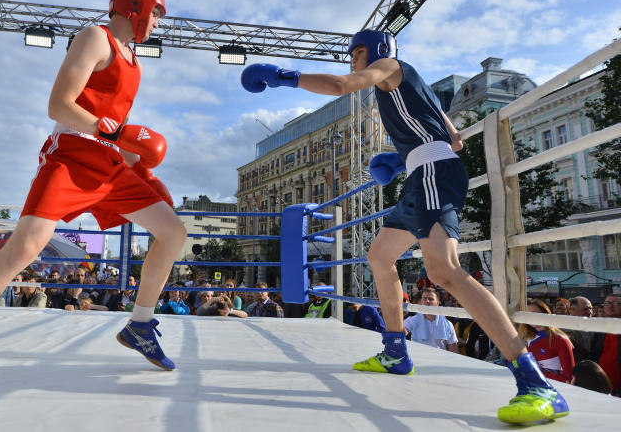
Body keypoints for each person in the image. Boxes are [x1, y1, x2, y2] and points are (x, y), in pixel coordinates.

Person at [240, 29, 569, 424]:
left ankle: (535, 382)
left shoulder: (391, 66)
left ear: (379, 50)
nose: (353, 60)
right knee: (379, 256)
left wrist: (281, 75)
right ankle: (395, 350)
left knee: (444, 271)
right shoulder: (418, 89)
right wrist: (399, 160)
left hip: (432, 173)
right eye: (351, 54)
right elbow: (455, 139)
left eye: (358, 52)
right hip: (423, 174)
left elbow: (341, 86)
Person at [0, 0, 185, 402]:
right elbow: (60, 105)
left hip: (111, 164)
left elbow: (114, 124)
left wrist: (140, 164)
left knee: (173, 232)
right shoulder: (94, 38)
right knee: (23, 250)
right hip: (71, 156)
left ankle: (140, 325)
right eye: (157, 14)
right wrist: (120, 132)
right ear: (137, 8)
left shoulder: (135, 60)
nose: (159, 23)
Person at [518, 299, 575, 383]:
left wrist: (535, 372)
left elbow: (569, 378)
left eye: (535, 313)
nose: (531, 317)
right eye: (528, 314)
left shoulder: (560, 340)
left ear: (545, 314)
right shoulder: (528, 339)